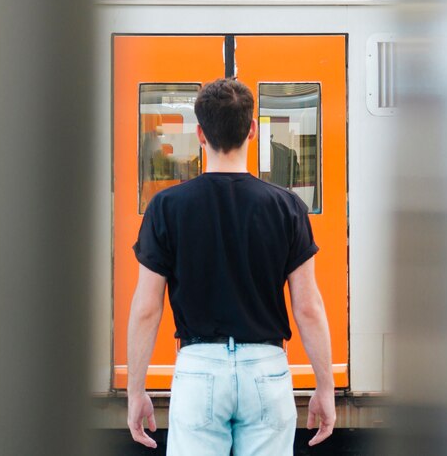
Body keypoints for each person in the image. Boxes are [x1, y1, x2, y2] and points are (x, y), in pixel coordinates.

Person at [127, 78, 336, 455]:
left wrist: (136, 391)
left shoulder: (167, 207)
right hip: (266, 370)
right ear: (252, 130)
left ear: (200, 134)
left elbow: (146, 309)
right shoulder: (287, 207)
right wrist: (325, 388)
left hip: (198, 367)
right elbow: (308, 307)